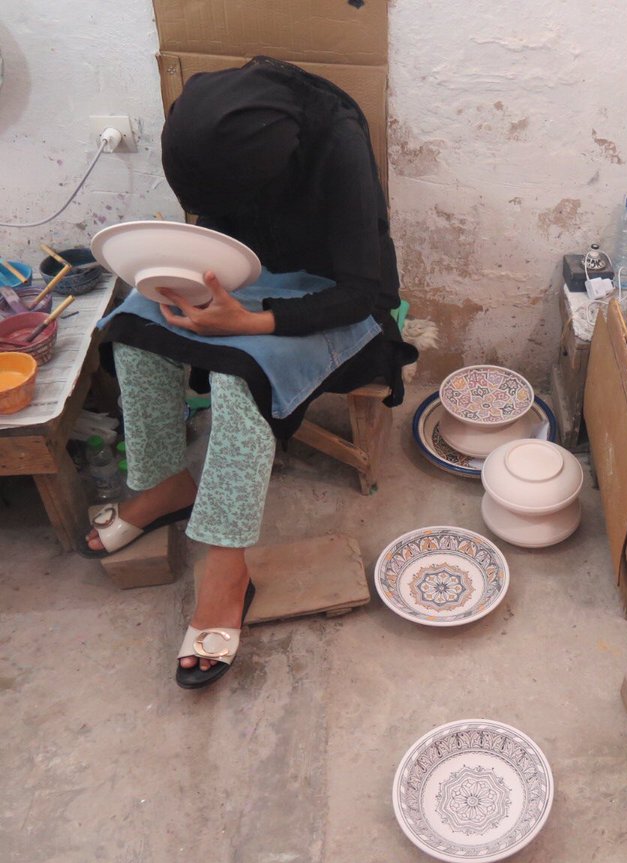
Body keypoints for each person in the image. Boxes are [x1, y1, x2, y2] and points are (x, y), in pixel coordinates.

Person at [83, 57, 417, 689]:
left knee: (240, 379)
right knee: (135, 330)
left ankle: (227, 569)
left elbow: (362, 292)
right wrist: (179, 277)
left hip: (332, 300)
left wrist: (249, 324)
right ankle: (164, 484)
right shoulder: (204, 119)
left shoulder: (335, 140)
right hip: (247, 274)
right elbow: (212, 231)